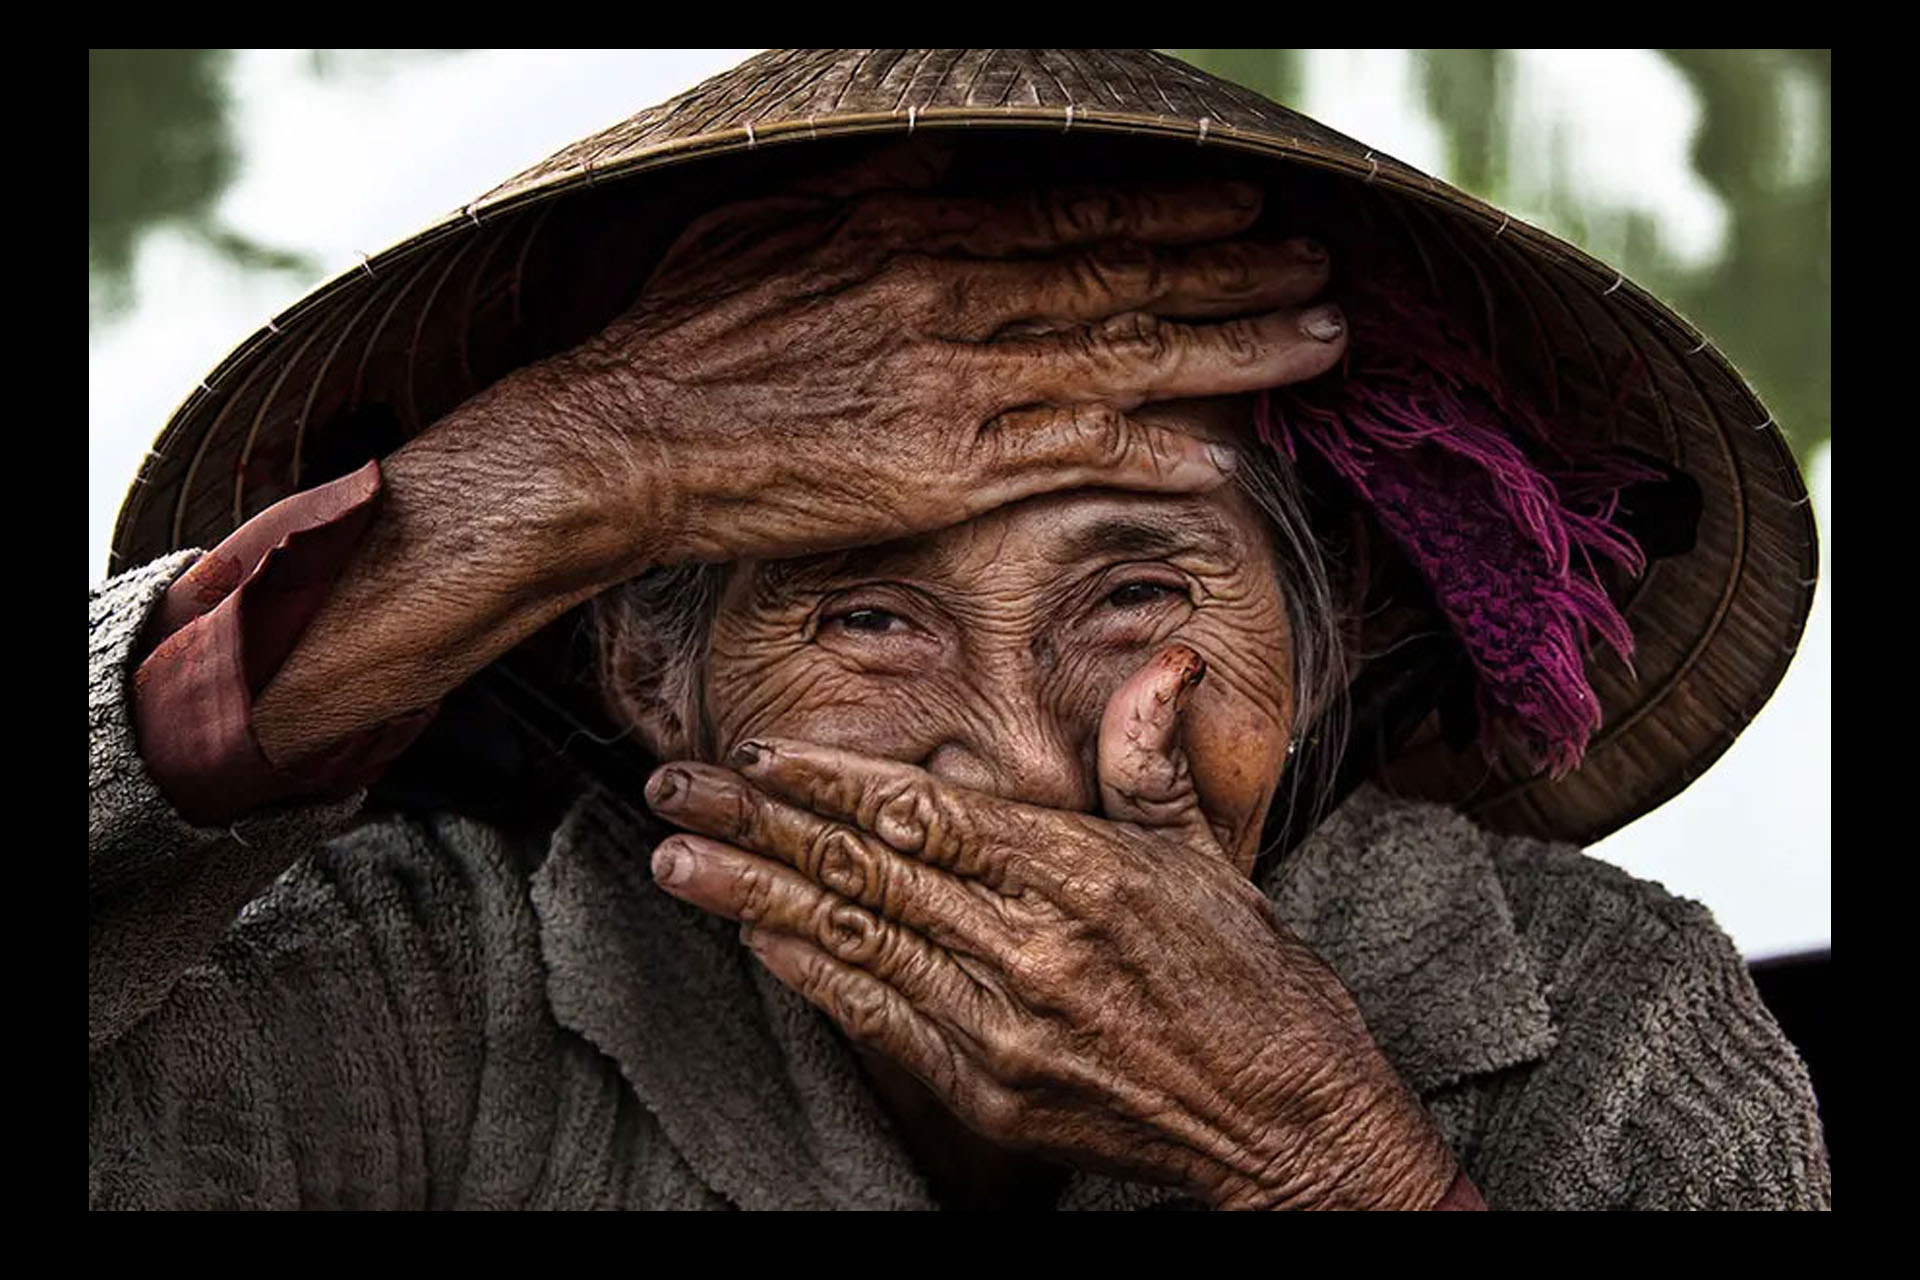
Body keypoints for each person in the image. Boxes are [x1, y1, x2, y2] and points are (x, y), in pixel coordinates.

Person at [89, 49, 1829, 1210]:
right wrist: (573, 464)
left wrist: (1315, 1157)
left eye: (1138, 593)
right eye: (860, 609)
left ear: (1325, 632)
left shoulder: (1610, 1034)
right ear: (650, 675)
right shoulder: (408, 999)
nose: (1012, 753)